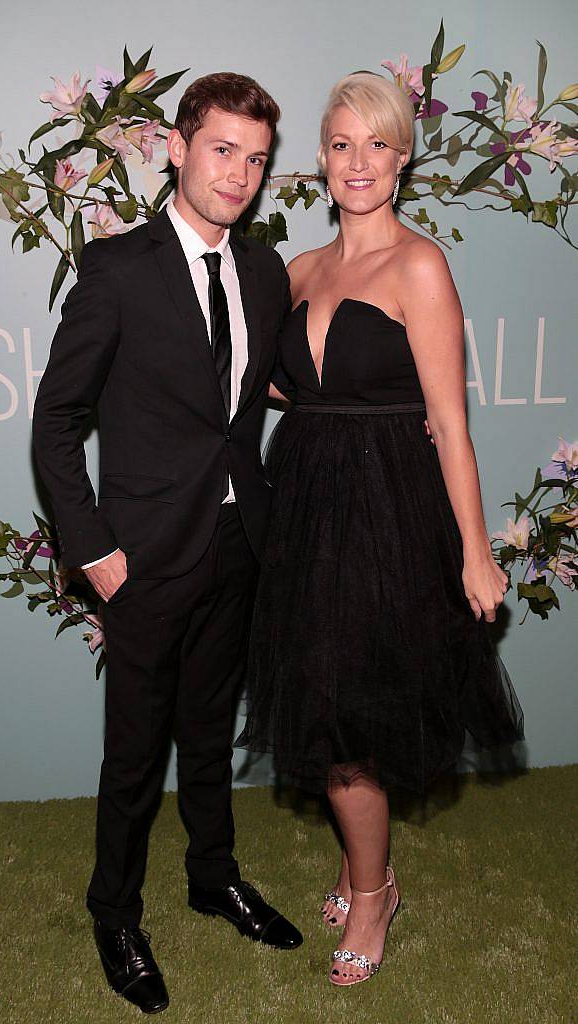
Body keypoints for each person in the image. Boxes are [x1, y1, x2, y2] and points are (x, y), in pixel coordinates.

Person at [237, 72, 524, 987]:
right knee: (322, 702)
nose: (358, 162)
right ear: (319, 160)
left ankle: (372, 897)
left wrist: (475, 551)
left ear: (402, 158)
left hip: (387, 512)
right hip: (304, 501)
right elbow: (281, 381)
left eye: (377, 144)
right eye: (340, 144)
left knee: (349, 719)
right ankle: (365, 872)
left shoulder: (418, 266)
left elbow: (448, 422)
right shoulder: (298, 270)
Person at [32, 72, 302, 1016]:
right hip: (141, 555)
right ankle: (115, 913)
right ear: (180, 148)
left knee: (208, 732)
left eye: (256, 159)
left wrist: (387, 415)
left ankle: (211, 875)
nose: (239, 173)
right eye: (223, 150)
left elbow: (257, 387)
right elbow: (56, 421)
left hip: (238, 542)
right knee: (135, 752)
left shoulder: (265, 270)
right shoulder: (116, 268)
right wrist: (92, 547)